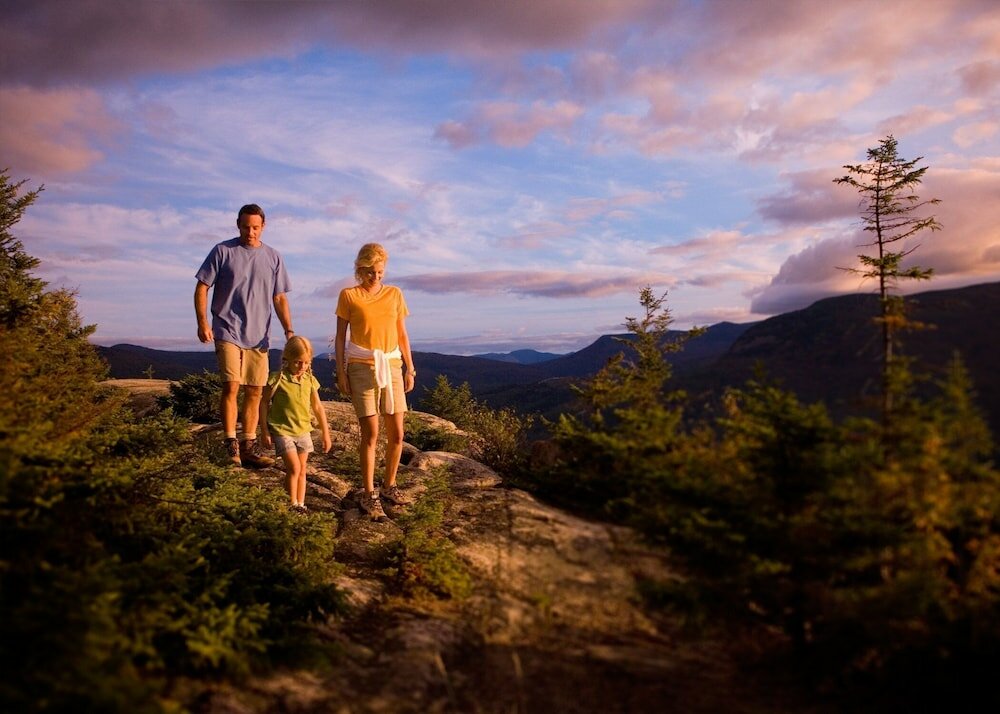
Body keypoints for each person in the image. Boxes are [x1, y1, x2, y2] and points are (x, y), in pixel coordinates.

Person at [194, 203, 293, 468]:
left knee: (255, 390)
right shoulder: (223, 251)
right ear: (238, 224)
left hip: (259, 334)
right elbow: (202, 286)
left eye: (256, 227)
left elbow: (279, 297)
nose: (251, 232)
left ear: (263, 227)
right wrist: (203, 322)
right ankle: (231, 446)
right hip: (226, 328)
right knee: (231, 385)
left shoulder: (273, 257)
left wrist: (289, 330)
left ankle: (248, 445)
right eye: (246, 227)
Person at [335, 243, 416, 521]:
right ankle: (369, 494)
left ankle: (389, 485)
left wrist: (410, 368)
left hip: (392, 365)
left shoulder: (395, 294)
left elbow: (402, 334)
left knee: (398, 434)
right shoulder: (349, 296)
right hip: (360, 366)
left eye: (380, 272)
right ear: (360, 270)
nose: (376, 277)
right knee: (370, 433)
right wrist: (341, 371)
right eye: (370, 272)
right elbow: (339, 338)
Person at [259, 336, 331, 510]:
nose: (302, 367)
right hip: (282, 430)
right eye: (298, 362)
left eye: (306, 363)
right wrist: (264, 430)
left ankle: (300, 504)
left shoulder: (309, 380)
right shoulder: (277, 379)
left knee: (302, 469)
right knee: (294, 468)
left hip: (303, 430)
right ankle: (293, 506)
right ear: (287, 360)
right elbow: (263, 403)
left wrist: (326, 433)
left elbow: (318, 407)